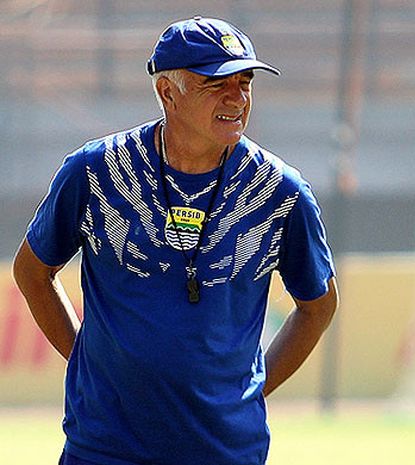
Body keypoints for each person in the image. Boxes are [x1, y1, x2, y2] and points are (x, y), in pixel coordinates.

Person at [12, 16, 338, 465]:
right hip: (105, 449)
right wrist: (86, 360)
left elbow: (318, 306)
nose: (237, 98)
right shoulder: (95, 171)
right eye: (215, 83)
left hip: (225, 452)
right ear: (168, 92)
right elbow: (32, 271)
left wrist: (250, 391)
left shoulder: (281, 192)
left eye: (244, 82)